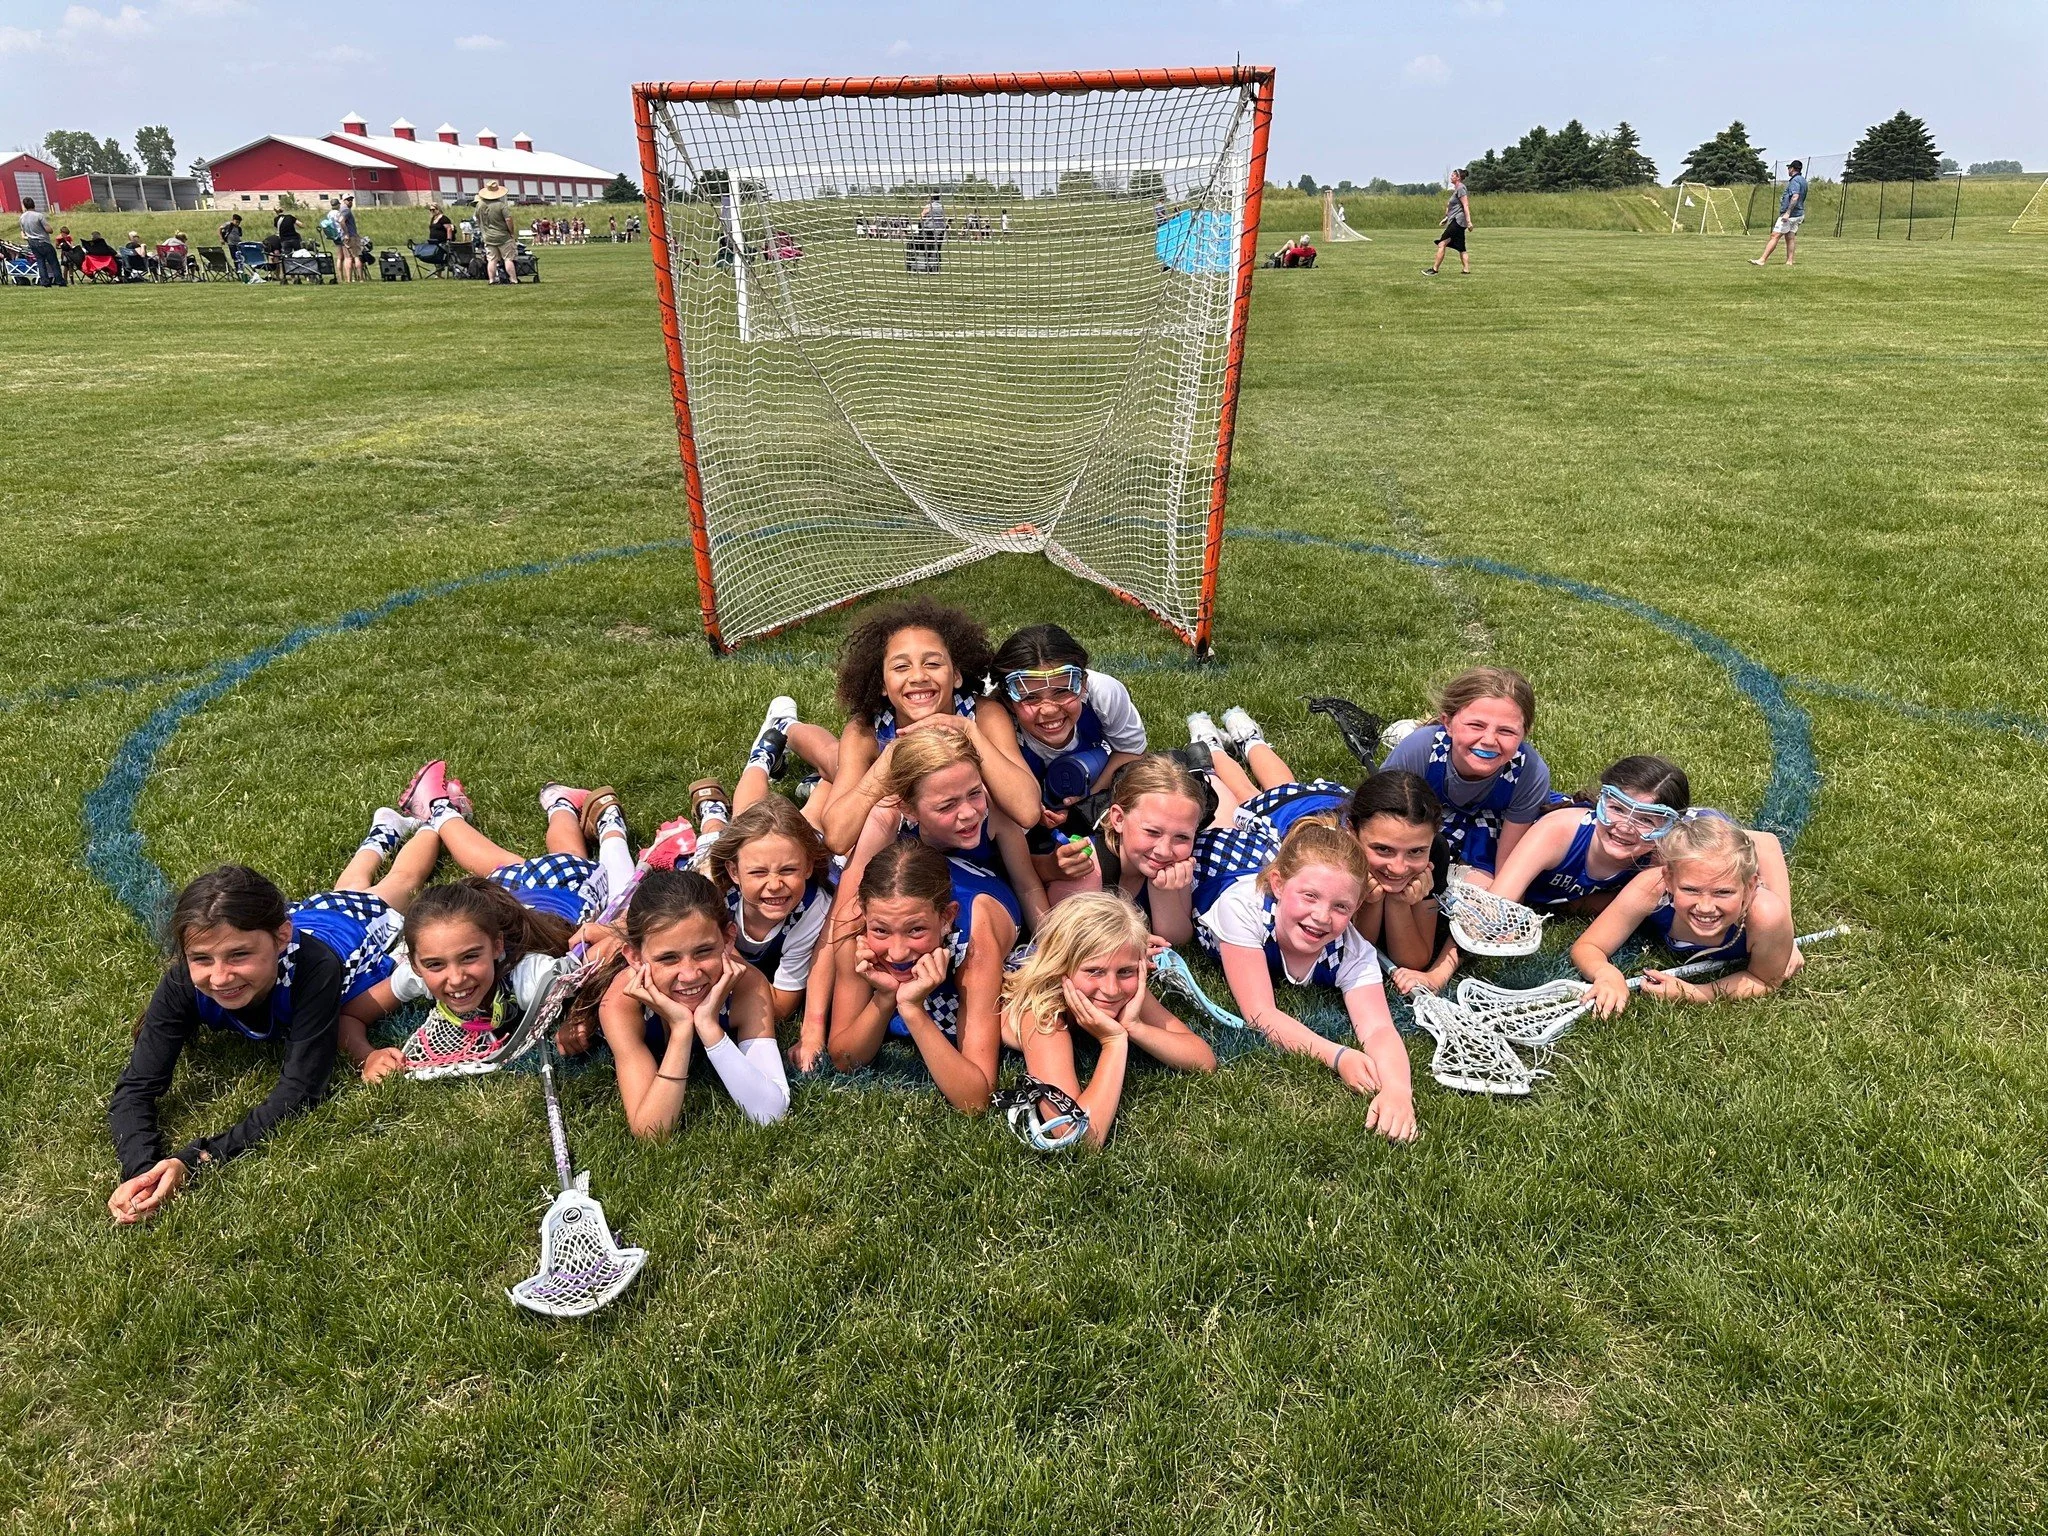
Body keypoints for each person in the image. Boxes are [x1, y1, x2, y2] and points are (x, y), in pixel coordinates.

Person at [105, 815, 440, 1223]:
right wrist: (143, 1171)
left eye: (239, 955)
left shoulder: (313, 969)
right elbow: (136, 1086)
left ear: (281, 938)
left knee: (398, 885)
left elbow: (301, 1089)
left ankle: (432, 820)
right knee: (347, 886)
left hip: (350, 928)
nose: (220, 976)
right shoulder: (182, 982)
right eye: (202, 959)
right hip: (304, 916)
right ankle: (384, 828)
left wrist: (195, 1160)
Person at [1194, 818, 1418, 1141]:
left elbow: (1379, 1028)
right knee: (1231, 805)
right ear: (1279, 885)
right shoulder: (1242, 908)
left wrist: (1397, 1089)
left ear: (1356, 907)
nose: (1322, 916)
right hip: (1221, 859)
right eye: (1310, 897)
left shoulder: (1353, 951)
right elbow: (1260, 1014)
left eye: (1341, 906)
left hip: (1278, 861)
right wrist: (1338, 1056)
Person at [818, 597, 1041, 853]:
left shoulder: (982, 715)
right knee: (829, 759)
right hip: (908, 852)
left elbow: (1028, 812)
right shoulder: (866, 730)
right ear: (881, 683)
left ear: (956, 674)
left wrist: (970, 732)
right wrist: (888, 760)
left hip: (972, 849)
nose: (919, 676)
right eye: (901, 667)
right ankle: (789, 730)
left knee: (830, 765)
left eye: (933, 663)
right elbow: (836, 838)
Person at [581, 870, 788, 1137]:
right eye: (669, 958)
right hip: (607, 962)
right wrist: (681, 1030)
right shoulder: (622, 1001)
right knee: (590, 957)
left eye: (703, 951)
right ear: (635, 957)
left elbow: (771, 1113)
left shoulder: (748, 986)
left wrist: (707, 1025)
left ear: (727, 940)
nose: (690, 974)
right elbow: (650, 1132)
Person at [1001, 894, 1216, 1147]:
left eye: (1125, 971)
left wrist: (1136, 1027)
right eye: (1094, 971)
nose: (1112, 989)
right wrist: (1113, 1042)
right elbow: (1074, 1134)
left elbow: (1204, 1060)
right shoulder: (1043, 1011)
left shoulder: (1128, 989)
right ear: (1061, 968)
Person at [827, 840, 1010, 1112]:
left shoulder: (975, 949)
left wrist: (913, 1010)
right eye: (881, 931)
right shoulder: (853, 929)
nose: (897, 953)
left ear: (947, 917)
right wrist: (886, 996)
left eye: (915, 931)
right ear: (864, 914)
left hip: (986, 890)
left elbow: (976, 1100)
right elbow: (844, 1059)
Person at [340, 876, 573, 1084]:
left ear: (497, 946)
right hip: (506, 885)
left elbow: (594, 975)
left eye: (469, 957)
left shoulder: (530, 977)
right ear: (414, 964)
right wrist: (367, 1056)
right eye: (436, 964)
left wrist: (580, 1018)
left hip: (567, 887)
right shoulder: (418, 974)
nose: (456, 978)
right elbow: (349, 1016)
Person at [1569, 812, 1801, 1014]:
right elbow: (1589, 946)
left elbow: (1766, 979)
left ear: (1750, 888)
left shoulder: (1765, 914)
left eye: (1723, 892)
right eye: (1691, 890)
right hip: (1689, 828)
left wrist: (1695, 993)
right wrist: (1606, 974)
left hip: (1728, 855)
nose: (1706, 907)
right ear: (1668, 880)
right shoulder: (1652, 887)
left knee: (1756, 844)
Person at [397, 761, 635, 929]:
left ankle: (438, 807)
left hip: (541, 902)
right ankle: (440, 809)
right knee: (510, 863)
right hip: (523, 905)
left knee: (564, 858)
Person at [1379, 667, 1551, 880]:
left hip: (1493, 828)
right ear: (1448, 723)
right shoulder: (1420, 750)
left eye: (1506, 731)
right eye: (1476, 725)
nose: (1489, 740)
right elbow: (1379, 823)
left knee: (1485, 888)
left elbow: (1508, 867)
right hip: (1424, 821)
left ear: (1524, 733)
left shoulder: (1530, 774)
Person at [980, 624, 1148, 840]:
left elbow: (1131, 752)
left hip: (1091, 777)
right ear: (1008, 701)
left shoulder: (1103, 693)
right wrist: (1031, 808)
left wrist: (1088, 801)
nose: (1049, 710)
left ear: (1083, 683)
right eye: (1031, 697)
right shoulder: (992, 717)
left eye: (1062, 691)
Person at [1489, 756, 1692, 916]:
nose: (1625, 827)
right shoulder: (1558, 831)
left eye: (1646, 820)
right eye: (1617, 809)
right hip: (1488, 839)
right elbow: (1497, 901)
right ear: (1601, 802)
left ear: (1668, 828)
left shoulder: (1657, 863)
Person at [1040, 753, 1208, 941]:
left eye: (1182, 836)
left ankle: (1209, 765)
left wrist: (1162, 892)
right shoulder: (1087, 867)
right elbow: (1072, 940)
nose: (1164, 851)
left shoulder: (1176, 865)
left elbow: (1178, 939)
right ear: (1119, 819)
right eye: (1152, 832)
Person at [1753, 159, 1807, 267]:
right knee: (1790, 236)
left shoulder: (1795, 181)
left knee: (1775, 235)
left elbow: (1795, 196)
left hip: (1790, 215)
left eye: (1789, 168)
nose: (1788, 170)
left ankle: (1762, 260)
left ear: (1792, 169)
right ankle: (1789, 261)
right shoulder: (1803, 180)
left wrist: (1787, 212)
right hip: (1799, 214)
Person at [1426, 167, 1472, 275]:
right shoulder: (1457, 189)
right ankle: (1466, 270)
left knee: (1442, 243)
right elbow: (1456, 207)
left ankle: (1434, 270)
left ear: (1458, 177)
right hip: (1456, 220)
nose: (1451, 177)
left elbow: (1465, 205)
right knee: (1461, 247)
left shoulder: (1461, 188)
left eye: (1453, 175)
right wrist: (1446, 218)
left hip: (1458, 221)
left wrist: (1469, 222)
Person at [475, 180, 520, 284]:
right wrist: (511, 232)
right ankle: (513, 279)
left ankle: (491, 280)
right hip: (503, 236)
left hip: (488, 237)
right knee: (508, 258)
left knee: (492, 260)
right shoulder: (501, 205)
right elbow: (508, 219)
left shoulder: (479, 205)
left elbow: (477, 219)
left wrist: (483, 230)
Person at [18, 197, 62, 287]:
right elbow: (48, 230)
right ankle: (59, 281)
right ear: (33, 204)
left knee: (40, 262)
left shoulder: (22, 217)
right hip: (43, 241)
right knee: (53, 262)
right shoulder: (38, 216)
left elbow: (23, 230)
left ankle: (45, 282)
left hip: (32, 242)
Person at [334, 194, 363, 283]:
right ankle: (361, 278)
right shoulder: (346, 210)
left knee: (347, 258)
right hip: (350, 236)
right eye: (348, 200)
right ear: (344, 201)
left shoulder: (341, 210)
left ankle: (348, 279)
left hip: (344, 237)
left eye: (351, 199)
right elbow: (341, 221)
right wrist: (346, 233)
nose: (350, 201)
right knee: (356, 257)